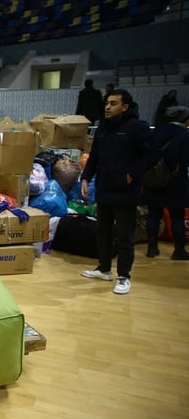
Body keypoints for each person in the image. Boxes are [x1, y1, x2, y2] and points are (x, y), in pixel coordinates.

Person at [79, 89, 158, 295]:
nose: (107, 107)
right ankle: (104, 269)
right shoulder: (103, 127)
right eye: (107, 103)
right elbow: (94, 155)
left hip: (125, 191)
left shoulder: (137, 127)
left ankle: (124, 276)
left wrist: (132, 174)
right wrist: (86, 177)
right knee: (102, 232)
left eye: (113, 103)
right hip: (104, 188)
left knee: (124, 236)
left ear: (125, 107)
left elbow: (153, 154)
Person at [141, 105, 189, 260]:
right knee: (177, 216)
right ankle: (179, 250)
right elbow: (186, 160)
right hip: (175, 181)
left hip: (153, 179)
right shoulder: (184, 135)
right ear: (184, 119)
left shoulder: (155, 132)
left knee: (154, 215)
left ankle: (152, 247)